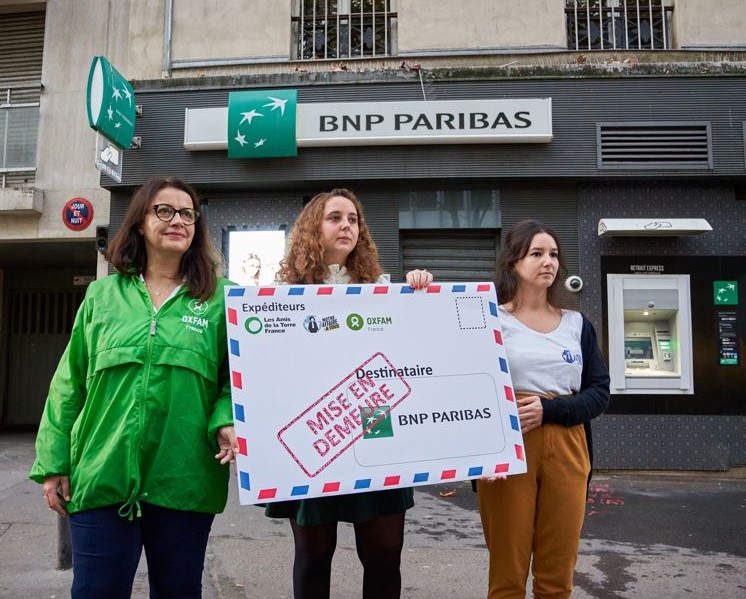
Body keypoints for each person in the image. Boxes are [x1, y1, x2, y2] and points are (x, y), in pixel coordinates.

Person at [29, 177, 239, 599]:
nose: (177, 220)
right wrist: (54, 462)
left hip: (184, 479)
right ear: (141, 223)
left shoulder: (222, 300)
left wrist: (225, 419)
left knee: (179, 592)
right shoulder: (102, 296)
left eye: (187, 213)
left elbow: (236, 382)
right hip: (102, 475)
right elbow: (68, 383)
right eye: (164, 210)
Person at [266, 188, 432, 599]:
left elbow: (413, 349)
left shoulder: (383, 288)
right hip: (314, 428)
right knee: (313, 553)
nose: (346, 226)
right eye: (334, 218)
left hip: (374, 423)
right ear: (312, 228)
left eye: (353, 219)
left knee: (384, 551)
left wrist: (420, 294)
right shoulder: (278, 294)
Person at [476, 219, 610, 599]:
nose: (547, 261)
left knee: (557, 571)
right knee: (507, 573)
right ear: (513, 262)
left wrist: (551, 411)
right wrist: (482, 453)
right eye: (536, 253)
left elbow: (600, 392)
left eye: (553, 254)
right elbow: (469, 387)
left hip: (568, 446)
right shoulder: (488, 319)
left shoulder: (577, 324)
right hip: (510, 447)